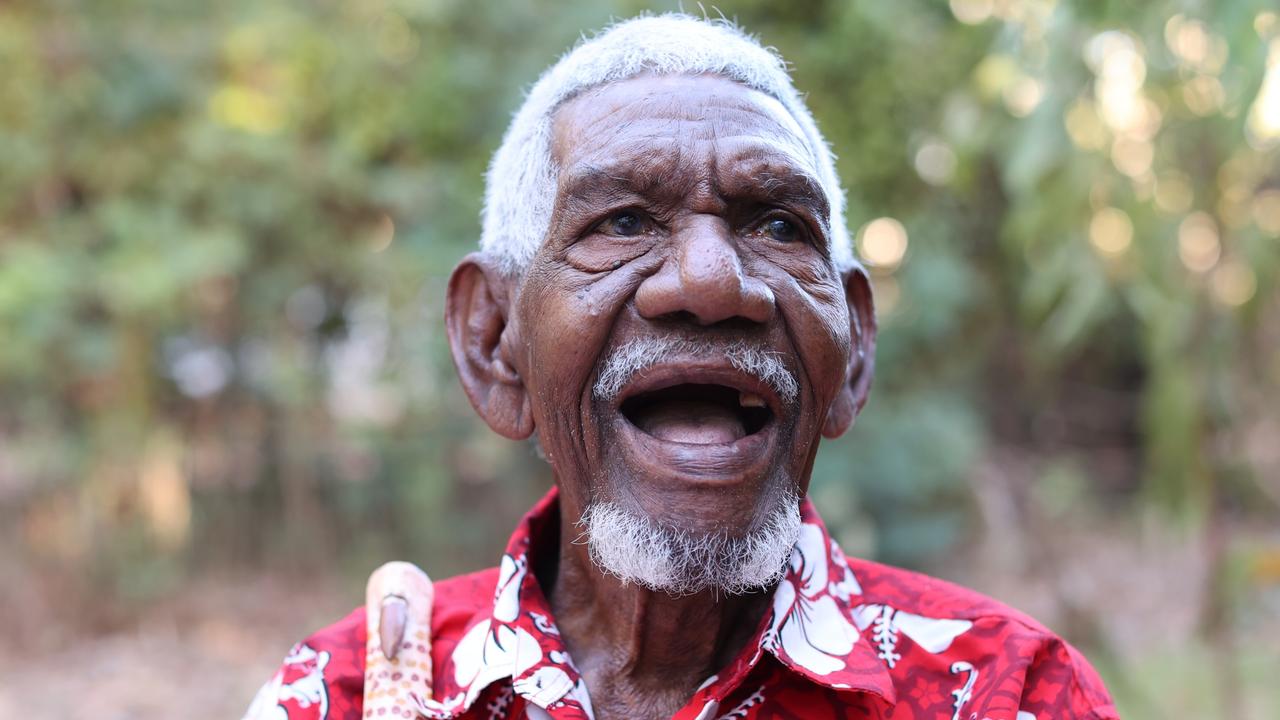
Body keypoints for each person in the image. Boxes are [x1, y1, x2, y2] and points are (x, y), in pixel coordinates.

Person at [244, 14, 1118, 720]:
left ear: (851, 351)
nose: (712, 283)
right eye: (621, 222)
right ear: (494, 343)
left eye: (778, 226)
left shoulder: (1012, 695)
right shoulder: (343, 698)